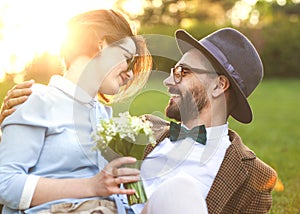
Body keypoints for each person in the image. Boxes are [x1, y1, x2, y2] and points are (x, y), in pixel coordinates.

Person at [1, 27, 277, 214]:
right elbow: (57, 154)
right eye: (172, 70)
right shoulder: (137, 129)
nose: (169, 81)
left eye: (183, 72)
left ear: (218, 87)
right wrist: (15, 120)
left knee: (181, 190)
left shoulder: (254, 176)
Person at [0, 9, 153, 214]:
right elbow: (5, 183)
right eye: (128, 58)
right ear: (102, 44)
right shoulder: (37, 99)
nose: (131, 72)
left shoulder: (105, 116)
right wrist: (91, 186)